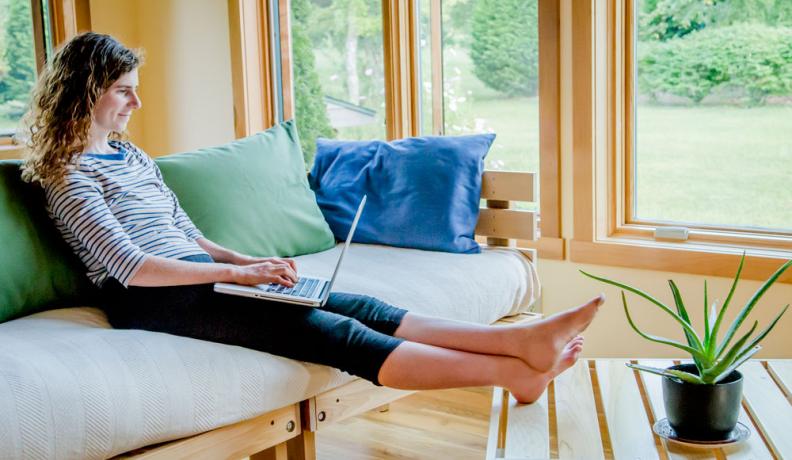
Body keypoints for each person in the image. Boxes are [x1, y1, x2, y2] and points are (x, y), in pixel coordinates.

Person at [21, 32, 603, 404]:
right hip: (154, 297)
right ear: (84, 93)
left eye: (136, 90)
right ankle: (512, 372)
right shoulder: (68, 174)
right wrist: (237, 279)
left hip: (196, 274)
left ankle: (522, 340)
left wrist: (251, 263)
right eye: (123, 91)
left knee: (355, 303)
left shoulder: (128, 154)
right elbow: (133, 266)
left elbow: (185, 234)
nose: (136, 104)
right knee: (329, 332)